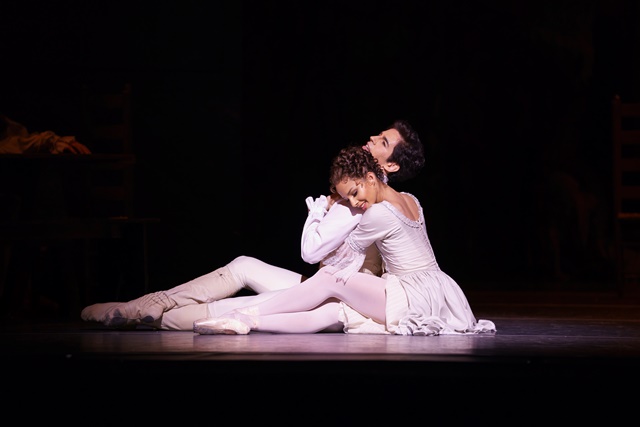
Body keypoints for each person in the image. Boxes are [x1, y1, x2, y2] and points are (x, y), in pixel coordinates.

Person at [80, 119, 426, 330]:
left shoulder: (364, 199)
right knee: (243, 266)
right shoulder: (377, 192)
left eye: (382, 142)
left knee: (221, 312)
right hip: (324, 284)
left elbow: (312, 251)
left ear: (390, 167)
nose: (372, 139)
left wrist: (319, 211)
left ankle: (141, 314)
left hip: (335, 295)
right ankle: (149, 304)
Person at [194, 146, 496, 335]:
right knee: (335, 312)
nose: (354, 202)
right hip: (439, 292)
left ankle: (245, 313)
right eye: (347, 197)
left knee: (329, 279)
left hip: (410, 293)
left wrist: (318, 216)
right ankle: (248, 323)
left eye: (355, 192)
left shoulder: (378, 213)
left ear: (371, 178)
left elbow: (333, 264)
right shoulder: (411, 199)